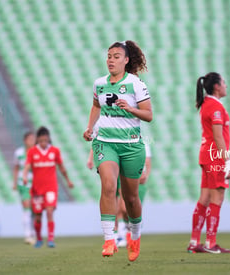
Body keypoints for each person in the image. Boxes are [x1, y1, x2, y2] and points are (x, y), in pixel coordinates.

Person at [83, 40, 152, 261]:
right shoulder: (99, 84)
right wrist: (90, 128)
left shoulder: (136, 84)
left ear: (126, 60)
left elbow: (149, 115)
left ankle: (135, 237)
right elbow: (96, 106)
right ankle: (109, 239)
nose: (110, 60)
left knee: (131, 199)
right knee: (109, 186)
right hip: (105, 143)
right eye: (109, 56)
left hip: (131, 146)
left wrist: (131, 109)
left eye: (116, 56)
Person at [187, 72, 230, 254]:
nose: (226, 85)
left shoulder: (207, 104)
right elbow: (218, 135)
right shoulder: (215, 107)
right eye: (224, 82)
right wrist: (228, 162)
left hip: (206, 155)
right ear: (216, 86)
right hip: (215, 157)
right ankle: (210, 243)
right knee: (217, 197)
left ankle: (194, 241)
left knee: (205, 198)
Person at [23, 126, 74, 248]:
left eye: (45, 141)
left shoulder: (55, 151)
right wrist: (24, 176)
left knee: (50, 212)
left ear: (48, 139)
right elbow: (27, 166)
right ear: (37, 140)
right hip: (37, 189)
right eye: (41, 141)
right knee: (38, 215)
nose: (43, 143)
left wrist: (68, 180)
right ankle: (39, 238)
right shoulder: (32, 152)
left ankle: (51, 239)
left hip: (51, 188)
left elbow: (61, 167)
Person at [13, 131, 36, 244]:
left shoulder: (37, 152)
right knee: (26, 206)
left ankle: (32, 232)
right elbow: (16, 168)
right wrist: (14, 182)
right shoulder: (19, 153)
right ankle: (27, 234)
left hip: (35, 182)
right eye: (30, 139)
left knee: (34, 209)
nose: (32, 141)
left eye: (33, 139)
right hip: (23, 182)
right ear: (25, 140)